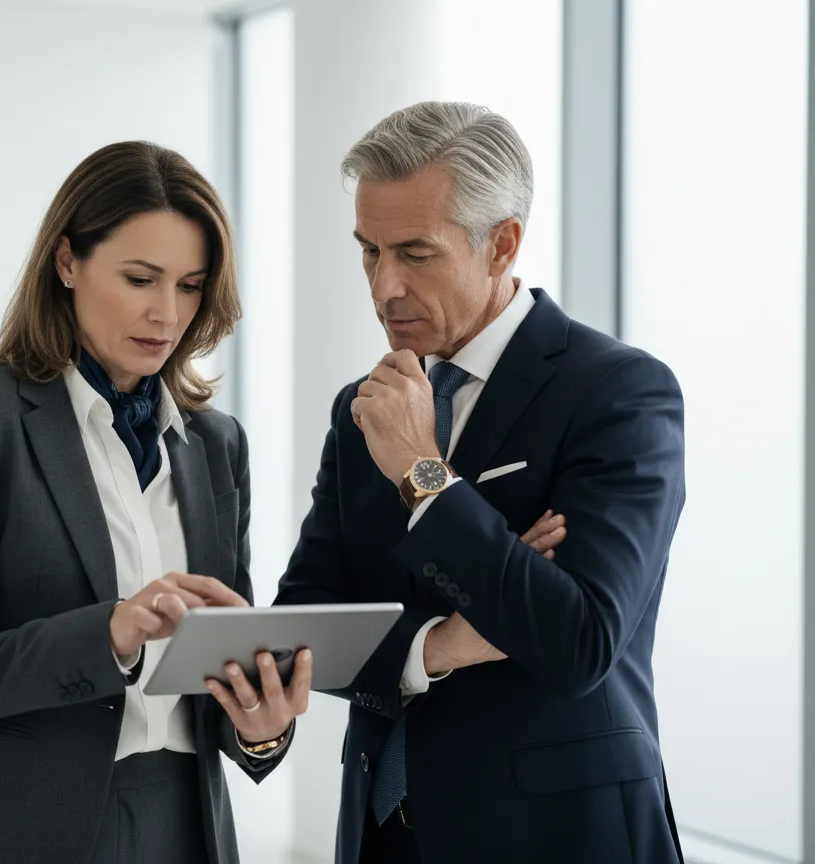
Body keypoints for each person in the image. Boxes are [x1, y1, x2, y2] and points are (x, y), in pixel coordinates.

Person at [274, 102, 686, 864]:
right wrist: (438, 646)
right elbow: (304, 624)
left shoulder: (620, 393)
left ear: (502, 245)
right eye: (368, 252)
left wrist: (425, 478)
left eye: (415, 253)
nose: (384, 287)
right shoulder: (362, 407)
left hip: (555, 837)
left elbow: (578, 640)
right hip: (382, 835)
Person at [0, 141, 311, 864]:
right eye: (141, 278)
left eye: (190, 285)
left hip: (186, 824)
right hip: (14, 830)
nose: (166, 312)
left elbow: (221, 684)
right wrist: (111, 633)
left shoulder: (216, 443)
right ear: (66, 263)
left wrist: (261, 724)